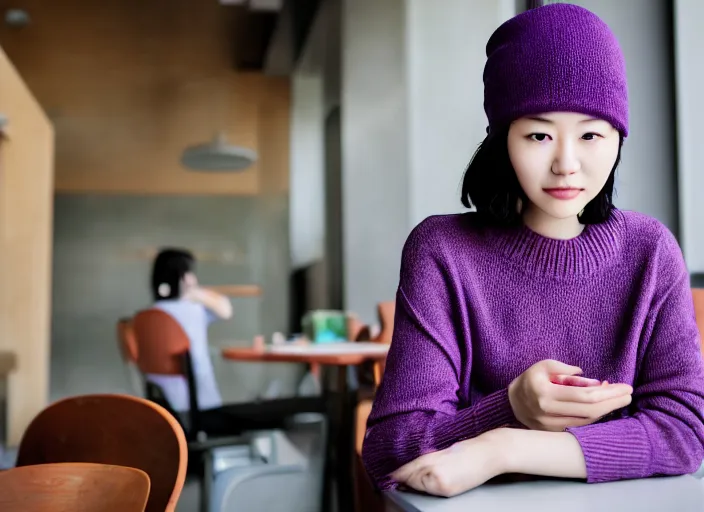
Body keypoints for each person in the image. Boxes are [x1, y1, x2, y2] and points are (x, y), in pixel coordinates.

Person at [361, 3, 704, 497]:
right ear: (503, 140)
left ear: (617, 139)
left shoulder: (651, 252)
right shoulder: (443, 251)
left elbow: (685, 434)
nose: (567, 164)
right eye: (539, 134)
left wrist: (505, 446)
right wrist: (512, 406)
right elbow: (389, 453)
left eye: (591, 134)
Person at [145, 248, 324, 436]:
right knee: (309, 405)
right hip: (205, 413)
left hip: (170, 414)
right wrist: (195, 292)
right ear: (184, 278)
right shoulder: (192, 310)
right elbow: (225, 310)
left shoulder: (147, 317)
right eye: (190, 274)